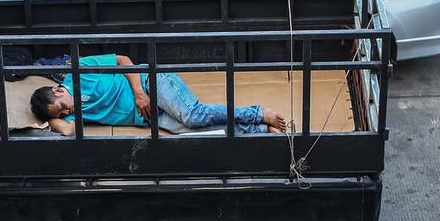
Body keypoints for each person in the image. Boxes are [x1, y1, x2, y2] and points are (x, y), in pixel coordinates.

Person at [31, 53, 286, 135]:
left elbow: (123, 60)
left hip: (151, 83)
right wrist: (47, 117)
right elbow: (66, 131)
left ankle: (258, 113)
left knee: (194, 116)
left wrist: (139, 93)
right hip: (150, 118)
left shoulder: (80, 70)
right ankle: (260, 131)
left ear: (58, 89)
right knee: (196, 131)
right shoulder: (74, 114)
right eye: (60, 113)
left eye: (61, 106)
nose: (66, 112)